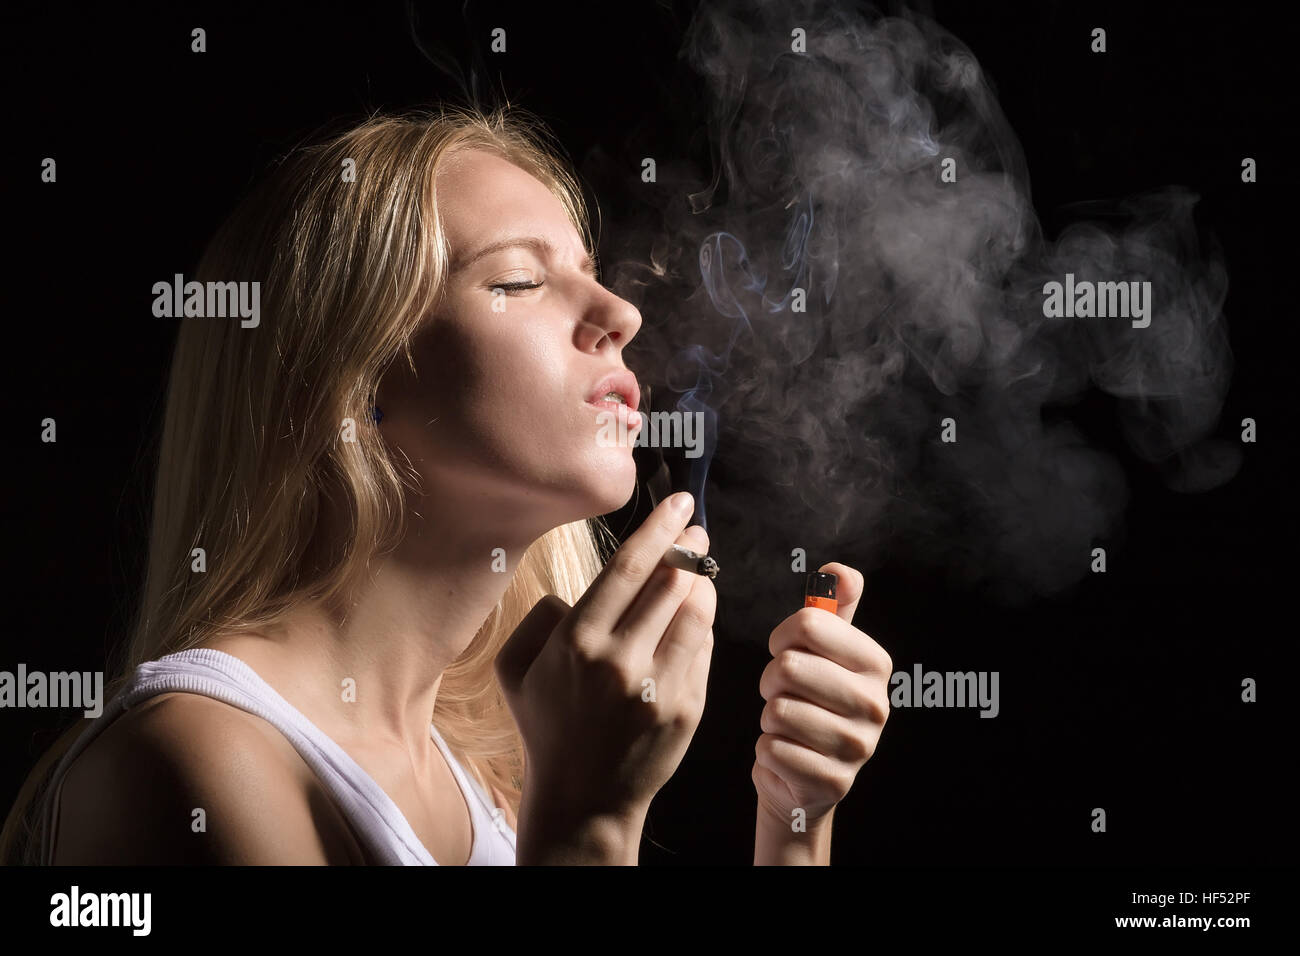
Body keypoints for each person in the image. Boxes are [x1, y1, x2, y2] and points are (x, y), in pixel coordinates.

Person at [1, 104, 891, 866]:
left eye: (592, 274)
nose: (622, 316)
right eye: (518, 278)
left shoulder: (487, 788)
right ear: (353, 387)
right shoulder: (198, 761)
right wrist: (591, 824)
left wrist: (793, 819)